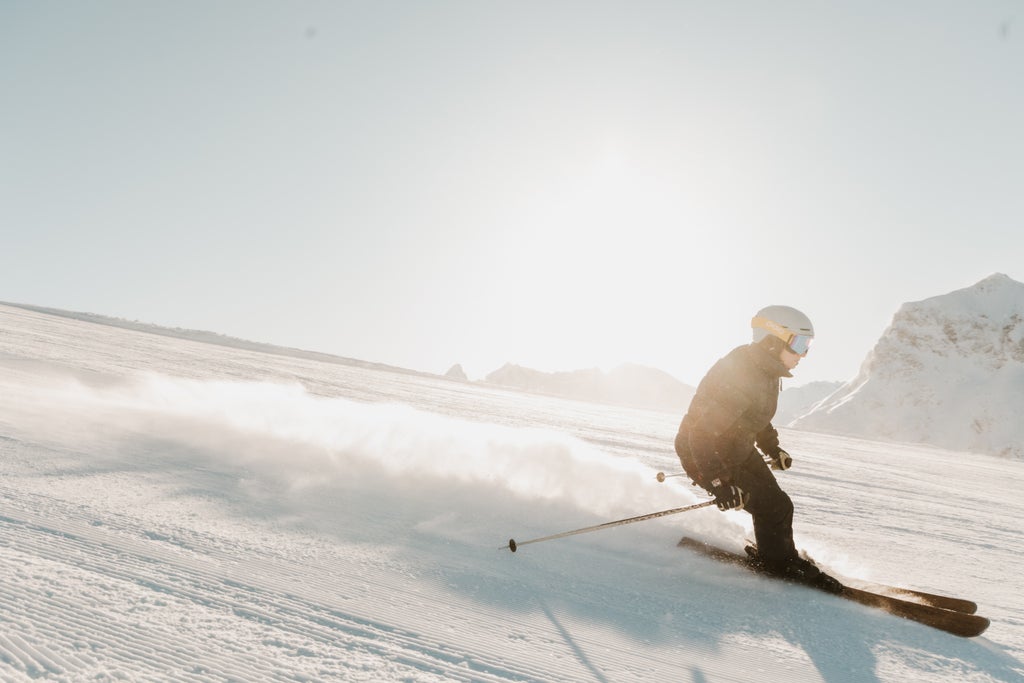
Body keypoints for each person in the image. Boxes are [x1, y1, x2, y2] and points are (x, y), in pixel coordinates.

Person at [674, 305, 842, 593]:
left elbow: (756, 418)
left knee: (778, 503)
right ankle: (779, 563)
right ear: (772, 341)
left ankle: (778, 555)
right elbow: (701, 434)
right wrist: (719, 483)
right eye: (800, 344)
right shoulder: (742, 376)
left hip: (736, 446)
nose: (803, 355)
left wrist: (773, 448)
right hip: (706, 453)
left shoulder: (764, 371)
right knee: (773, 506)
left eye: (808, 346)